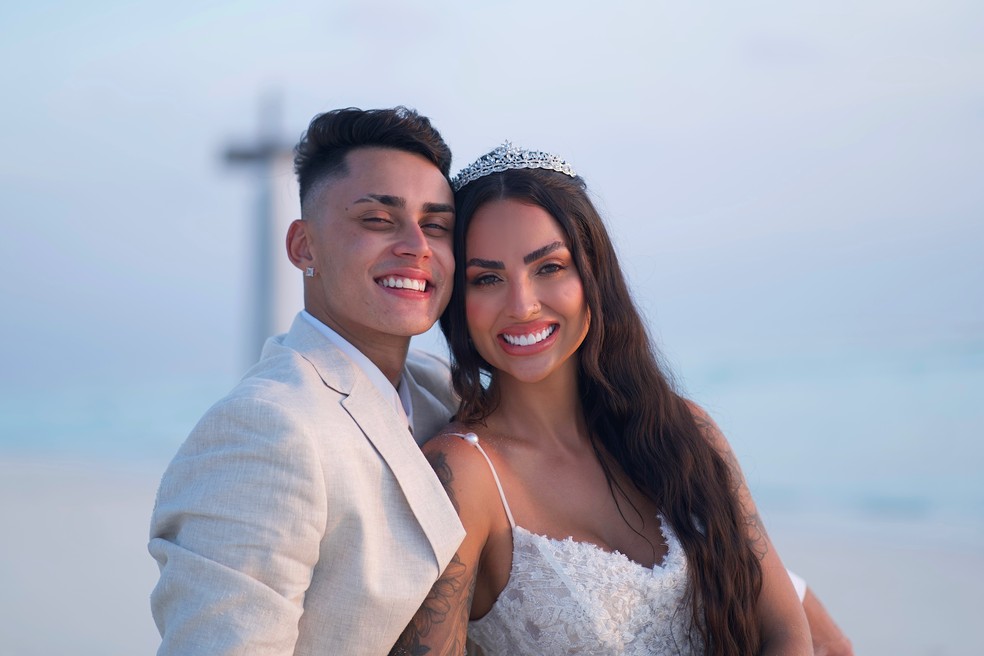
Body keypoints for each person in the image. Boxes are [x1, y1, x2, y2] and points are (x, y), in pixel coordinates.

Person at [391, 143, 816, 655]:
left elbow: (786, 632)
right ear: (459, 301)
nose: (522, 305)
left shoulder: (684, 432)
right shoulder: (461, 475)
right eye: (488, 279)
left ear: (594, 274)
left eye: (549, 267)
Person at [148, 107, 467, 655]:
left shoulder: (441, 390)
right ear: (303, 247)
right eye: (377, 219)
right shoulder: (266, 427)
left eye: (435, 225)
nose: (416, 244)